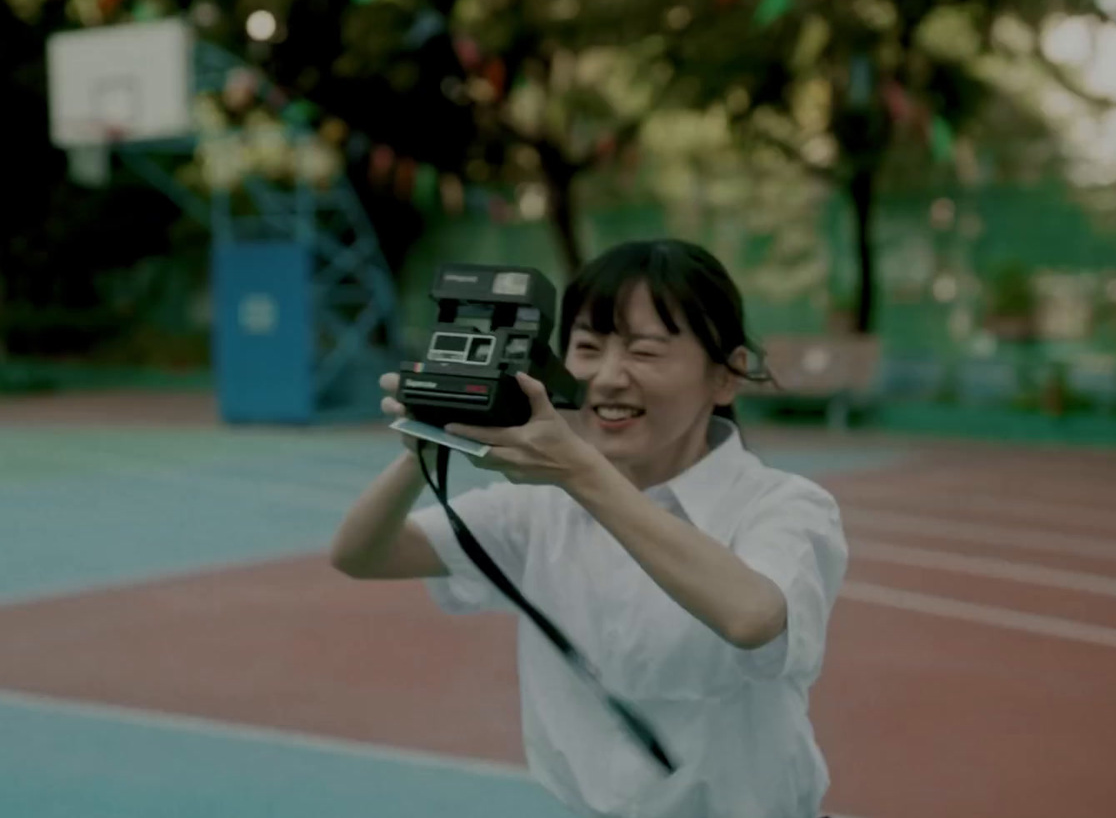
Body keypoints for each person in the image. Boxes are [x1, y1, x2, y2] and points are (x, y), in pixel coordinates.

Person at [329, 239, 848, 818]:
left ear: (727, 377)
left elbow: (753, 617)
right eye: (586, 348)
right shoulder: (539, 508)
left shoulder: (784, 506)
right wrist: (425, 441)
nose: (607, 378)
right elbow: (362, 554)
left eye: (645, 353)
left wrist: (581, 473)